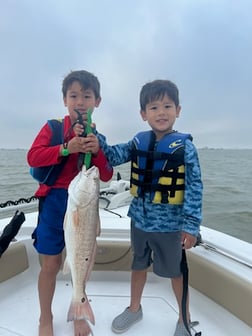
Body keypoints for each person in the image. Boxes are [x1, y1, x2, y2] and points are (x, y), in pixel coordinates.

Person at [92, 79, 203, 336]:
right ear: (143, 114)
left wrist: (191, 225)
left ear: (178, 110)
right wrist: (95, 137)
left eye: (167, 106)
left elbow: (195, 187)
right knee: (138, 265)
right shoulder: (137, 142)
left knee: (176, 273)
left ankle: (183, 318)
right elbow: (112, 155)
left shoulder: (186, 148)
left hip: (170, 225)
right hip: (139, 220)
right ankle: (134, 308)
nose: (161, 112)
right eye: (153, 107)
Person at [27, 70, 113, 336]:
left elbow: (107, 175)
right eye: (73, 95)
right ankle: (45, 317)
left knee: (81, 259)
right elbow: (34, 157)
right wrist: (67, 147)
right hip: (54, 204)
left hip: (84, 205)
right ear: (64, 100)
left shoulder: (98, 138)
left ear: (97, 102)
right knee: (51, 265)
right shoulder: (53, 128)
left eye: (87, 96)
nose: (80, 102)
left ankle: (78, 309)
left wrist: (95, 151)